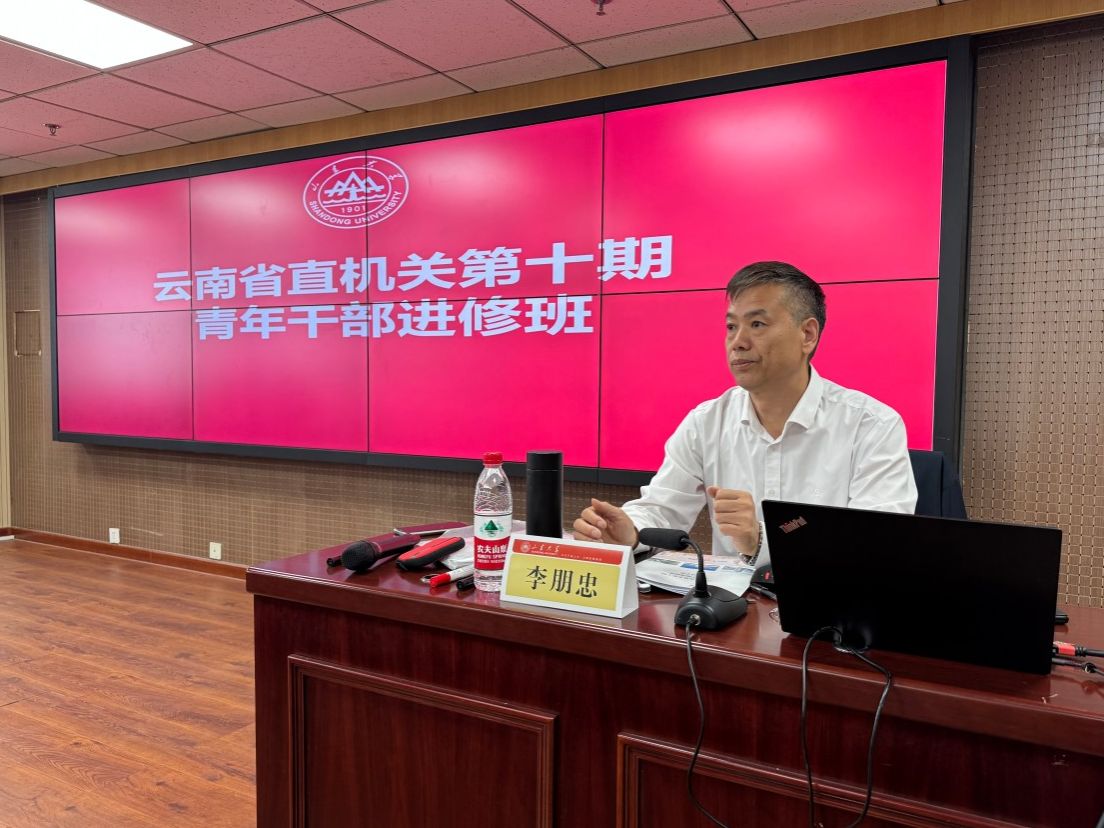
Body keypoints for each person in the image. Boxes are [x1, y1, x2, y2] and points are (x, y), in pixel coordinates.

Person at [573, 261, 917, 566]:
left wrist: (760, 538)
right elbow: (662, 508)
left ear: (807, 334)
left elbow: (877, 545)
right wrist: (631, 532)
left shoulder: (871, 425)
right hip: (734, 609)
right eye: (731, 327)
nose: (737, 342)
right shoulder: (706, 422)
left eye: (757, 324)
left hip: (831, 608)